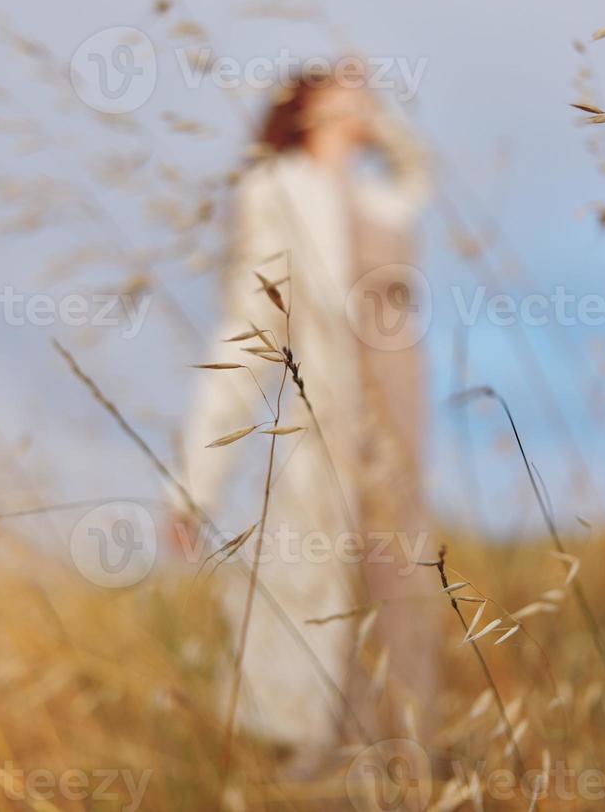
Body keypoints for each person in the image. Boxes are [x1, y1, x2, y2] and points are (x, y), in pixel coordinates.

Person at [183, 61, 439, 768]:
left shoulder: (377, 197)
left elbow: (420, 175)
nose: (363, 101)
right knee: (318, 575)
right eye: (341, 94)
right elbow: (248, 330)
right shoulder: (278, 189)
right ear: (306, 110)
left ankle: (410, 753)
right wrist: (195, 482)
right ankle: (321, 751)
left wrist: (375, 115)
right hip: (330, 409)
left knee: (404, 577)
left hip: (401, 413)